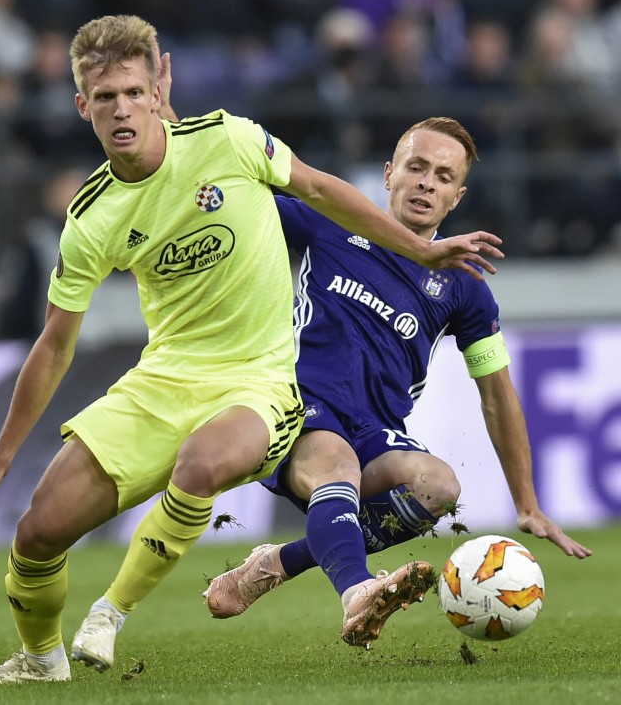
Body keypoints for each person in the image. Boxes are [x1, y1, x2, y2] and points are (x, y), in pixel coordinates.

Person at [0, 14, 503, 685]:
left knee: (207, 462)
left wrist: (420, 248)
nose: (121, 109)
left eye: (134, 92)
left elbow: (317, 187)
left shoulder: (231, 140)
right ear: (82, 106)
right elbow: (53, 344)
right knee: (38, 533)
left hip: (261, 382)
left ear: (157, 91)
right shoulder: (92, 217)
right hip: (163, 379)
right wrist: (0, 458)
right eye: (106, 97)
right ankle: (42, 659)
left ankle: (112, 612)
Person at [203, 116, 593, 642]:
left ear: (457, 197)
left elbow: (497, 395)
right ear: (389, 174)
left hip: (373, 429)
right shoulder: (328, 221)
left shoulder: (464, 286)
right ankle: (357, 593)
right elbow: (231, 201)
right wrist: (176, 140)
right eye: (416, 167)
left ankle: (278, 563)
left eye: (443, 176)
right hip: (297, 405)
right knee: (337, 467)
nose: (427, 183)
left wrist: (527, 505)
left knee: (440, 488)